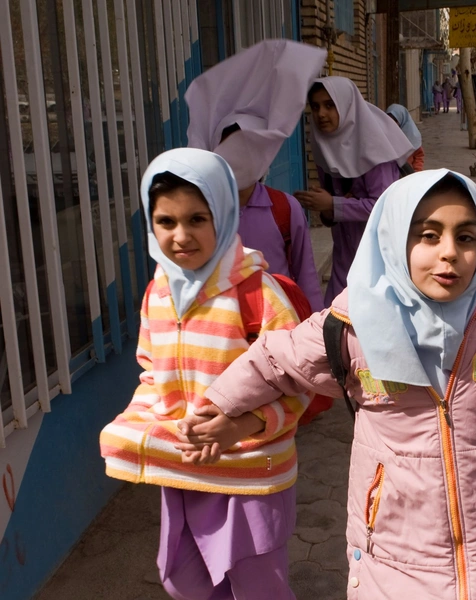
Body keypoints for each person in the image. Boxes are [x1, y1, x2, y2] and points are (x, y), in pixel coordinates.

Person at [203, 169, 476, 599]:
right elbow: (273, 359)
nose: (449, 252)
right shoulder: (352, 329)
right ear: (394, 241)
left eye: (466, 237)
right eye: (428, 235)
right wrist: (220, 406)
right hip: (391, 560)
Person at [99, 148, 308, 600]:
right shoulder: (158, 291)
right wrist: (134, 430)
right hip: (185, 473)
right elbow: (151, 375)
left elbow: (300, 383)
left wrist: (241, 425)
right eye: (166, 221)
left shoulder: (259, 294)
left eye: (197, 219)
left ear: (225, 215)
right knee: (183, 580)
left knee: (258, 588)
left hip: (252, 476)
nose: (181, 236)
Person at [185, 39, 326, 312]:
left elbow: (306, 275)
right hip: (221, 330)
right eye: (232, 147)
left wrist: (315, 328)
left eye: (249, 148)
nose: (240, 159)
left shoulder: (285, 208)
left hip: (277, 328)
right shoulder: (202, 212)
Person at [294, 77, 413, 305]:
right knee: (337, 319)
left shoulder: (374, 147)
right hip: (345, 254)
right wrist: (324, 207)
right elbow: (333, 209)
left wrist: (332, 205)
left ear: (346, 105)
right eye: (315, 106)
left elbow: (383, 205)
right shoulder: (323, 145)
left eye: (330, 105)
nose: (321, 114)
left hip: (381, 255)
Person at [386, 103, 425, 172]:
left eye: (395, 120)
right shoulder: (385, 135)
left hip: (408, 174)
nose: (392, 123)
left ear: (402, 119)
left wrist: (417, 172)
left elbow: (418, 156)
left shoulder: (412, 136)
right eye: (389, 120)